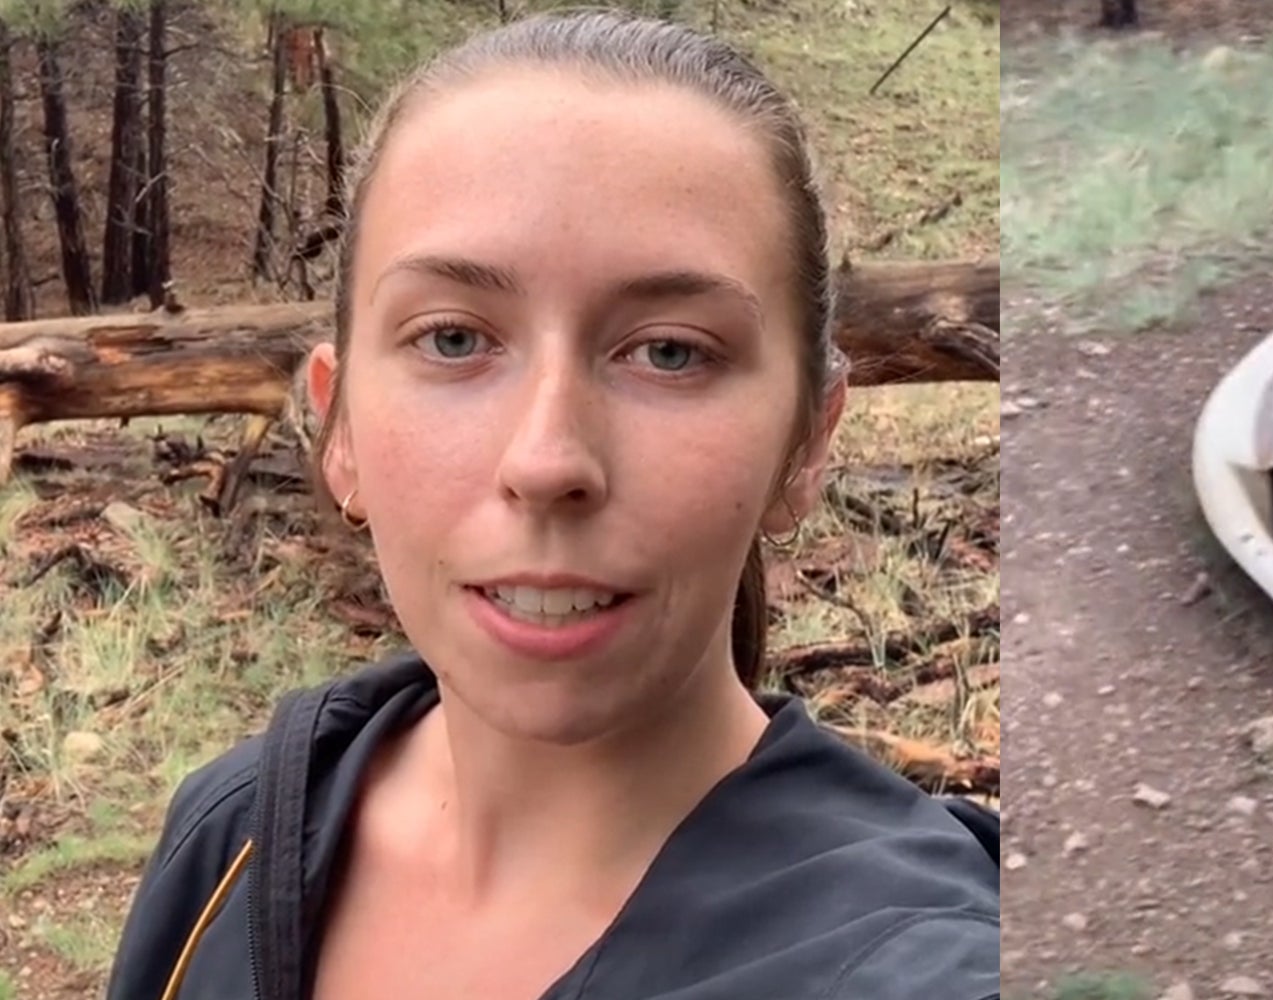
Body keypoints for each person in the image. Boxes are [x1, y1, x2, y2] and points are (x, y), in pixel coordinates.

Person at [101, 10, 1000, 1000]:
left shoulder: (918, 961)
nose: (546, 459)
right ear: (339, 429)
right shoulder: (234, 838)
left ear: (805, 444)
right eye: (453, 339)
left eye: (669, 350)